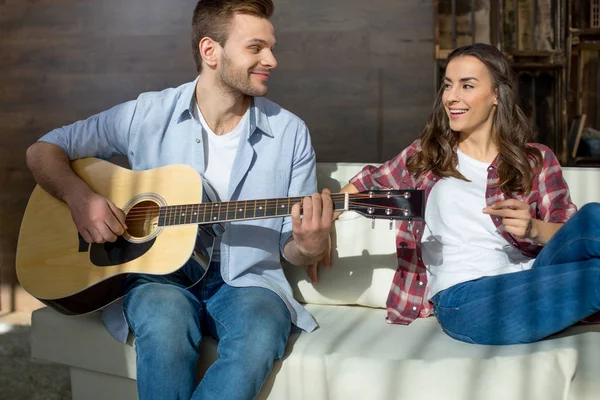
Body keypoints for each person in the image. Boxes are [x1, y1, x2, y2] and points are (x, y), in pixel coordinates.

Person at [25, 1, 332, 398]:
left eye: (272, 47)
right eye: (256, 48)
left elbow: (293, 247)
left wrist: (308, 244)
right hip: (160, 279)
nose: (271, 59)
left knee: (260, 333)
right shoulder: (147, 113)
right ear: (210, 51)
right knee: (165, 322)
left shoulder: (290, 133)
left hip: (247, 282)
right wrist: (79, 197)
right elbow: (43, 150)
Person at [335, 43, 600, 345]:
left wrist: (533, 229)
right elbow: (366, 182)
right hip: (465, 297)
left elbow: (571, 235)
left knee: (593, 218)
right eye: (448, 85)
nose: (451, 97)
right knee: (594, 278)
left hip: (533, 275)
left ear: (496, 95)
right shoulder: (429, 154)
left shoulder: (535, 160)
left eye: (467, 85)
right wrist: (313, 229)